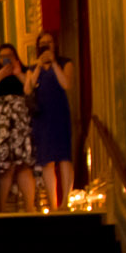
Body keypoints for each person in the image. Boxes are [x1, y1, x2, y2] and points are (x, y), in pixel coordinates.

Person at [0, 41, 40, 212]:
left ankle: (30, 208)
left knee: (23, 166)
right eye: (2, 57)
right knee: (5, 167)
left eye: (9, 56)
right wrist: (0, 75)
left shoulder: (23, 72)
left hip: (20, 123)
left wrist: (18, 73)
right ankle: (1, 208)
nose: (6, 60)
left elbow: (31, 91)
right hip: (1, 124)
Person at [29, 30, 76, 209]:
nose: (46, 46)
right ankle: (53, 203)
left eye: (49, 42)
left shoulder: (65, 63)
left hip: (59, 112)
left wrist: (54, 62)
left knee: (63, 156)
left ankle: (65, 201)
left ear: (55, 44)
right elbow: (29, 87)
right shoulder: (34, 68)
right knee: (46, 159)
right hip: (42, 115)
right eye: (43, 43)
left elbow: (66, 84)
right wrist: (40, 66)